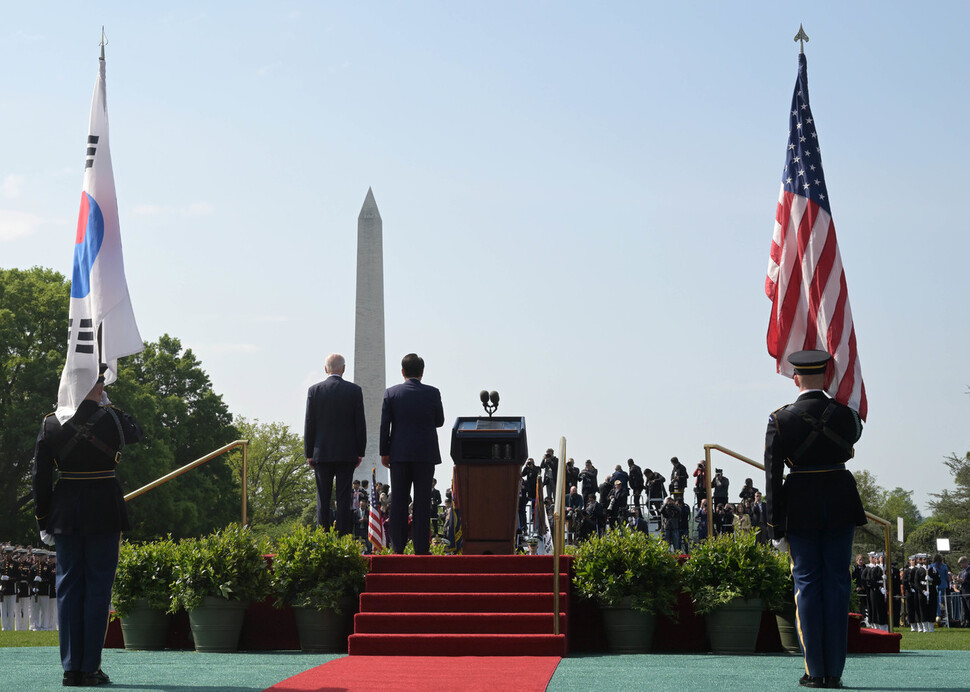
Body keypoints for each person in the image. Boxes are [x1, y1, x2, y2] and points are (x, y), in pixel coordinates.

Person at [32, 365, 143, 687]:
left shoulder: (51, 422)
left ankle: (71, 668)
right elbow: (136, 433)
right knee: (97, 590)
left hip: (65, 511)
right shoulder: (111, 418)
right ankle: (89, 666)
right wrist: (106, 405)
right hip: (104, 508)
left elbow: (40, 477)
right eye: (100, 383)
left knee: (68, 589)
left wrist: (42, 519)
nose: (102, 387)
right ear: (94, 387)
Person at [765, 350, 866, 689]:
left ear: (795, 378)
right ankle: (835, 672)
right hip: (840, 501)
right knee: (838, 585)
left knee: (806, 585)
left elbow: (772, 477)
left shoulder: (780, 419)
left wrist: (775, 525)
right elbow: (854, 435)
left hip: (801, 506)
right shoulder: (846, 415)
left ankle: (815, 670)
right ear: (826, 378)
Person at [380, 353, 445, 555]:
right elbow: (439, 421)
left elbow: (384, 426)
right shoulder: (433, 393)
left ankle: (397, 548)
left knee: (398, 501)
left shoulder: (391, 393)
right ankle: (421, 549)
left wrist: (384, 452)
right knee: (423, 501)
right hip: (425, 454)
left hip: (398, 454)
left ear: (402, 372)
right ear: (422, 372)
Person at [304, 353, 367, 535]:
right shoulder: (354, 391)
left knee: (323, 499)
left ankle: (323, 538)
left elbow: (310, 424)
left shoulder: (314, 391)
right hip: (347, 453)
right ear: (344, 369)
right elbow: (360, 425)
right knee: (344, 497)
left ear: (326, 369)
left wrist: (309, 452)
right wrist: (360, 452)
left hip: (321, 452)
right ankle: (343, 537)